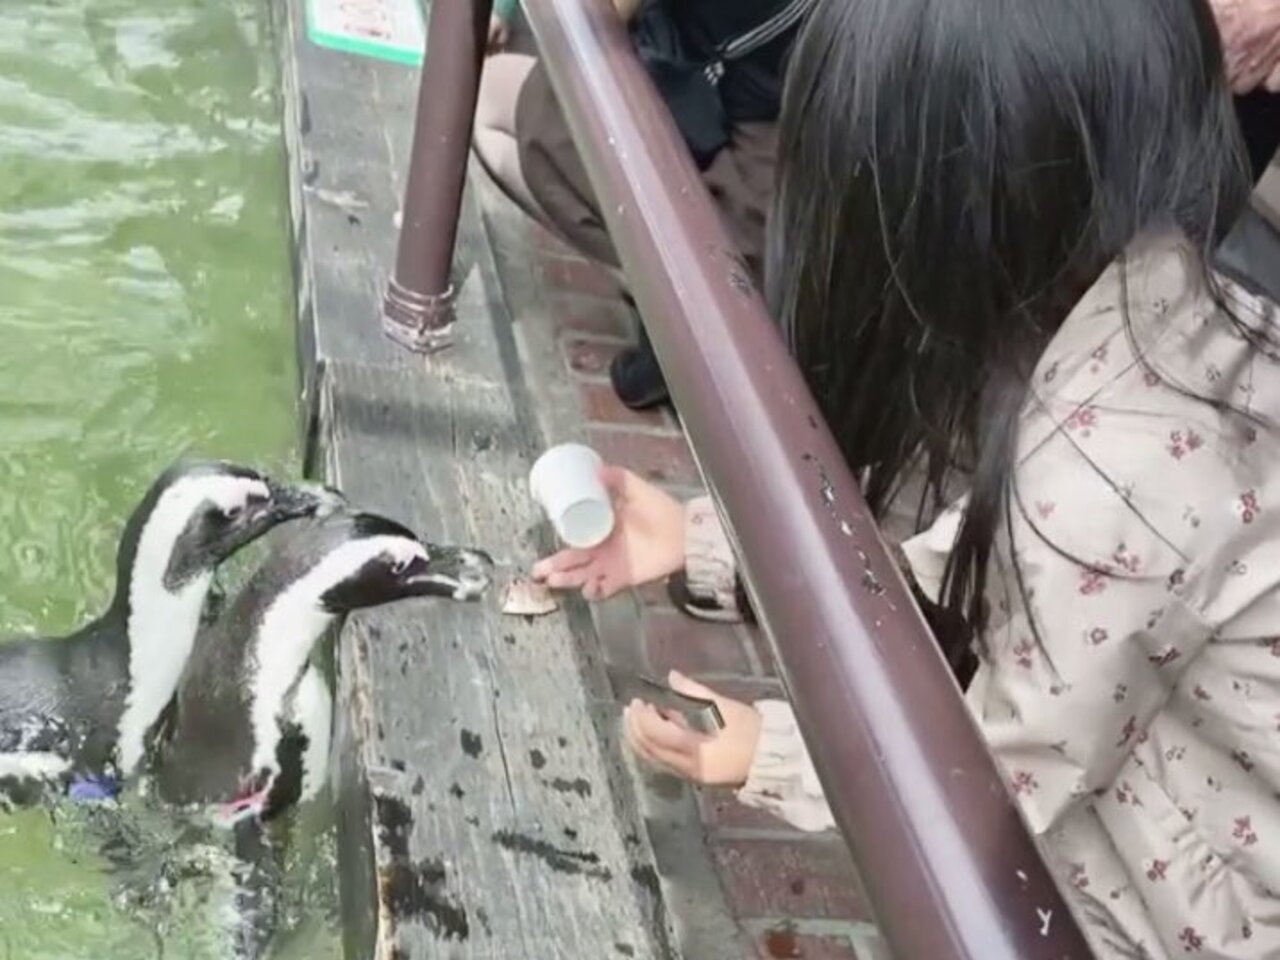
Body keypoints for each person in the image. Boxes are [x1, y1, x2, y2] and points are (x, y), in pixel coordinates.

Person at [535, 0, 1280, 954]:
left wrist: (784, 760)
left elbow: (1005, 779)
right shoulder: (1156, 291)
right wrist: (708, 543)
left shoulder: (1111, 468)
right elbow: (996, 564)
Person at [473, 0, 810, 410]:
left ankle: (671, 316)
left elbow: (597, 13)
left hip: (747, 174)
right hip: (789, 162)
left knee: (482, 99)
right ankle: (674, 310)